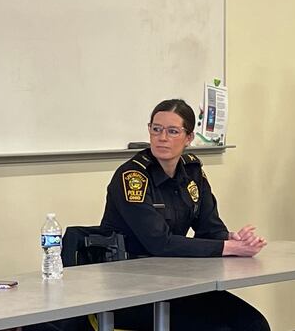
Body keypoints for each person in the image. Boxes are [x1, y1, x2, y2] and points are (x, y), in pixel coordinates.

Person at [100, 99, 270, 331]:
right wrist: (229, 248)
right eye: (156, 129)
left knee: (254, 324)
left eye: (172, 131)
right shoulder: (132, 177)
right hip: (130, 290)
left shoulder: (192, 172)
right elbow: (159, 243)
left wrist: (232, 238)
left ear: (188, 137)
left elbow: (210, 229)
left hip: (177, 282)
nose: (162, 137)